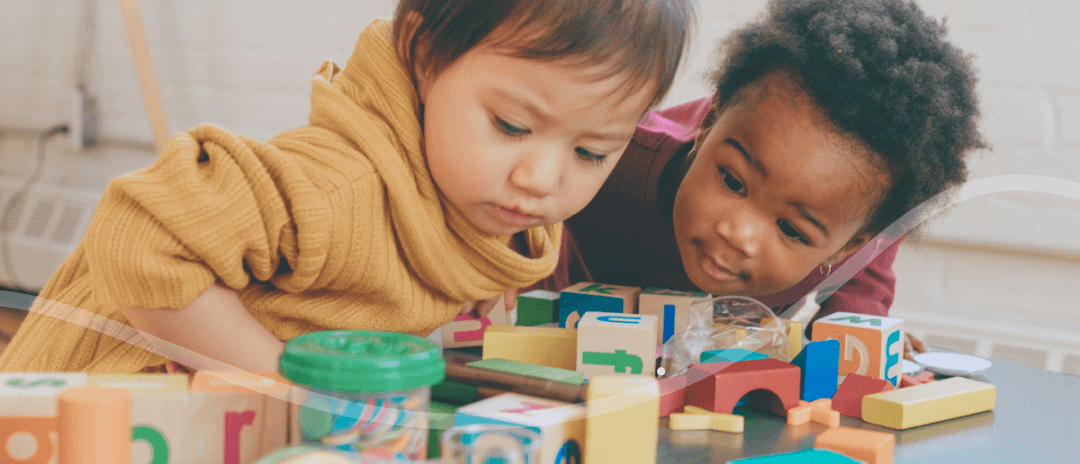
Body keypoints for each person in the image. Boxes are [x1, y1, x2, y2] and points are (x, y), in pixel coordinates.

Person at [0, 0, 695, 374]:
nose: (541, 179)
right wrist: (281, 372)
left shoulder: (500, 218)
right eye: (511, 125)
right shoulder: (338, 183)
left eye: (591, 151)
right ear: (424, 56)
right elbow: (137, 235)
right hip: (92, 413)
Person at [533, 0, 985, 360]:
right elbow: (522, 207)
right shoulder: (613, 158)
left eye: (790, 229)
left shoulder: (854, 229)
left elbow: (868, 264)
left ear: (847, 245)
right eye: (732, 181)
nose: (738, 233)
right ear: (708, 127)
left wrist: (857, 330)